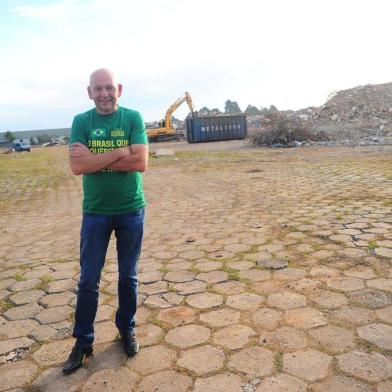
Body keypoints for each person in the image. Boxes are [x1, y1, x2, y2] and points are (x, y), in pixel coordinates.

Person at [63, 68, 148, 374]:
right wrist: (121, 150)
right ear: (89, 92)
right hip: (95, 212)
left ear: (119, 89)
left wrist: (94, 160)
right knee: (88, 279)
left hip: (131, 210)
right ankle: (83, 341)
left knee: (128, 277)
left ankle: (126, 328)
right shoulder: (81, 122)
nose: (104, 94)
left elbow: (141, 162)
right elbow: (77, 167)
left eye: (109, 88)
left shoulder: (133, 118)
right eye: (97, 89)